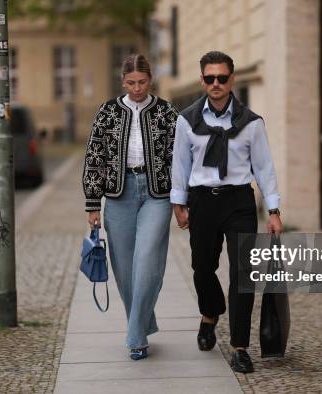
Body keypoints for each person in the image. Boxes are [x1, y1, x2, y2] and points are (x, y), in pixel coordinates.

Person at [170, 51, 282, 373]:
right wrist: (179, 204)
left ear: (232, 80)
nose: (216, 84)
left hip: (238, 203)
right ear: (202, 80)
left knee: (242, 275)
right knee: (202, 269)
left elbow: (264, 168)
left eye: (222, 78)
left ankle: (239, 346)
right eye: (209, 78)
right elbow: (180, 165)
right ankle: (210, 312)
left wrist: (273, 210)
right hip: (203, 201)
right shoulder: (187, 121)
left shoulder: (251, 123)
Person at [82, 54, 179, 360]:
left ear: (151, 80)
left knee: (148, 261)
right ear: (122, 82)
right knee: (125, 269)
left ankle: (136, 337)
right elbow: (95, 155)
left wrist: (181, 198)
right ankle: (142, 322)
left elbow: (180, 156)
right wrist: (92, 202)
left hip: (157, 194)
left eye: (143, 82)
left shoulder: (166, 111)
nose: (137, 88)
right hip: (119, 194)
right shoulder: (108, 111)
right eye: (131, 82)